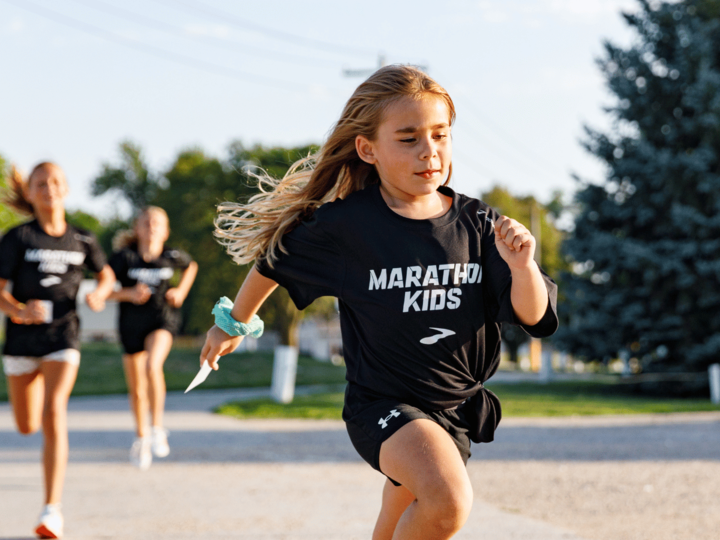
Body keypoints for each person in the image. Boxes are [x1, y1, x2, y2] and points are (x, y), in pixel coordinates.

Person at [200, 65, 558, 540]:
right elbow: (273, 262)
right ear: (368, 148)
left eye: (440, 135)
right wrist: (232, 323)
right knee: (448, 501)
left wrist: (523, 266)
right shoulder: (347, 227)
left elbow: (534, 318)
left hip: (454, 409)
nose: (429, 151)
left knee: (395, 525)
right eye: (408, 138)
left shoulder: (478, 223)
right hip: (382, 405)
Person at [0, 162, 115, 539]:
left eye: (55, 181)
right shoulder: (18, 239)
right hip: (20, 342)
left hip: (63, 337)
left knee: (54, 411)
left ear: (65, 189)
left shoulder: (82, 238)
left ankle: (52, 511)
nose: (48, 187)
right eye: (40, 183)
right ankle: (50, 506)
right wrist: (18, 310)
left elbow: (107, 274)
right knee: (27, 424)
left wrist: (98, 293)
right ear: (30, 193)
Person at [108, 206, 197, 470]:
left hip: (162, 321)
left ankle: (157, 427)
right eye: (146, 221)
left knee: (152, 366)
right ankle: (141, 436)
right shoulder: (124, 258)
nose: (152, 226)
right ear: (136, 228)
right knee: (136, 389)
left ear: (166, 229)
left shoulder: (172, 256)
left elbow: (191, 266)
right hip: (130, 326)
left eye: (158, 222)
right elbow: (105, 290)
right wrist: (128, 294)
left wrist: (180, 290)